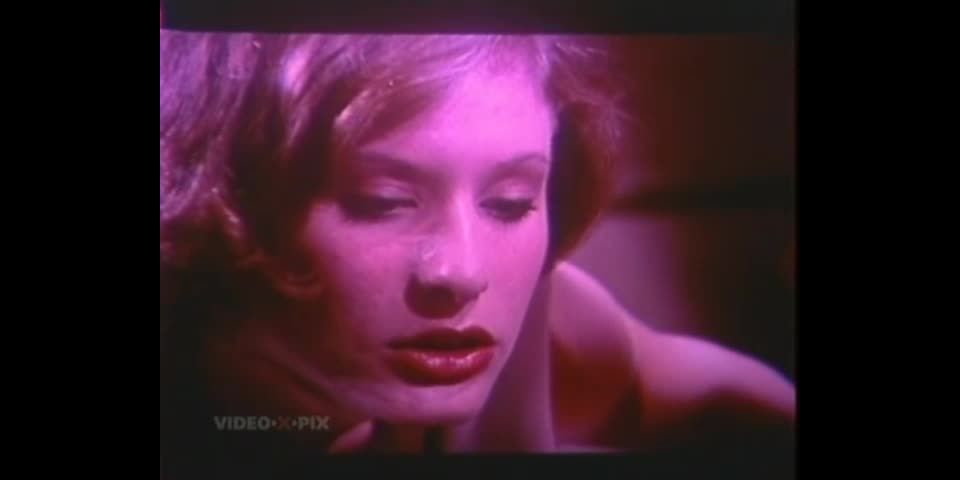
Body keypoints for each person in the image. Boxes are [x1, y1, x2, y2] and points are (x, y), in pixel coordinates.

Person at [160, 31, 794, 469]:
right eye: (383, 202)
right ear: (221, 199)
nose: (463, 272)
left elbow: (736, 407)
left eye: (510, 203)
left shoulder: (544, 333)